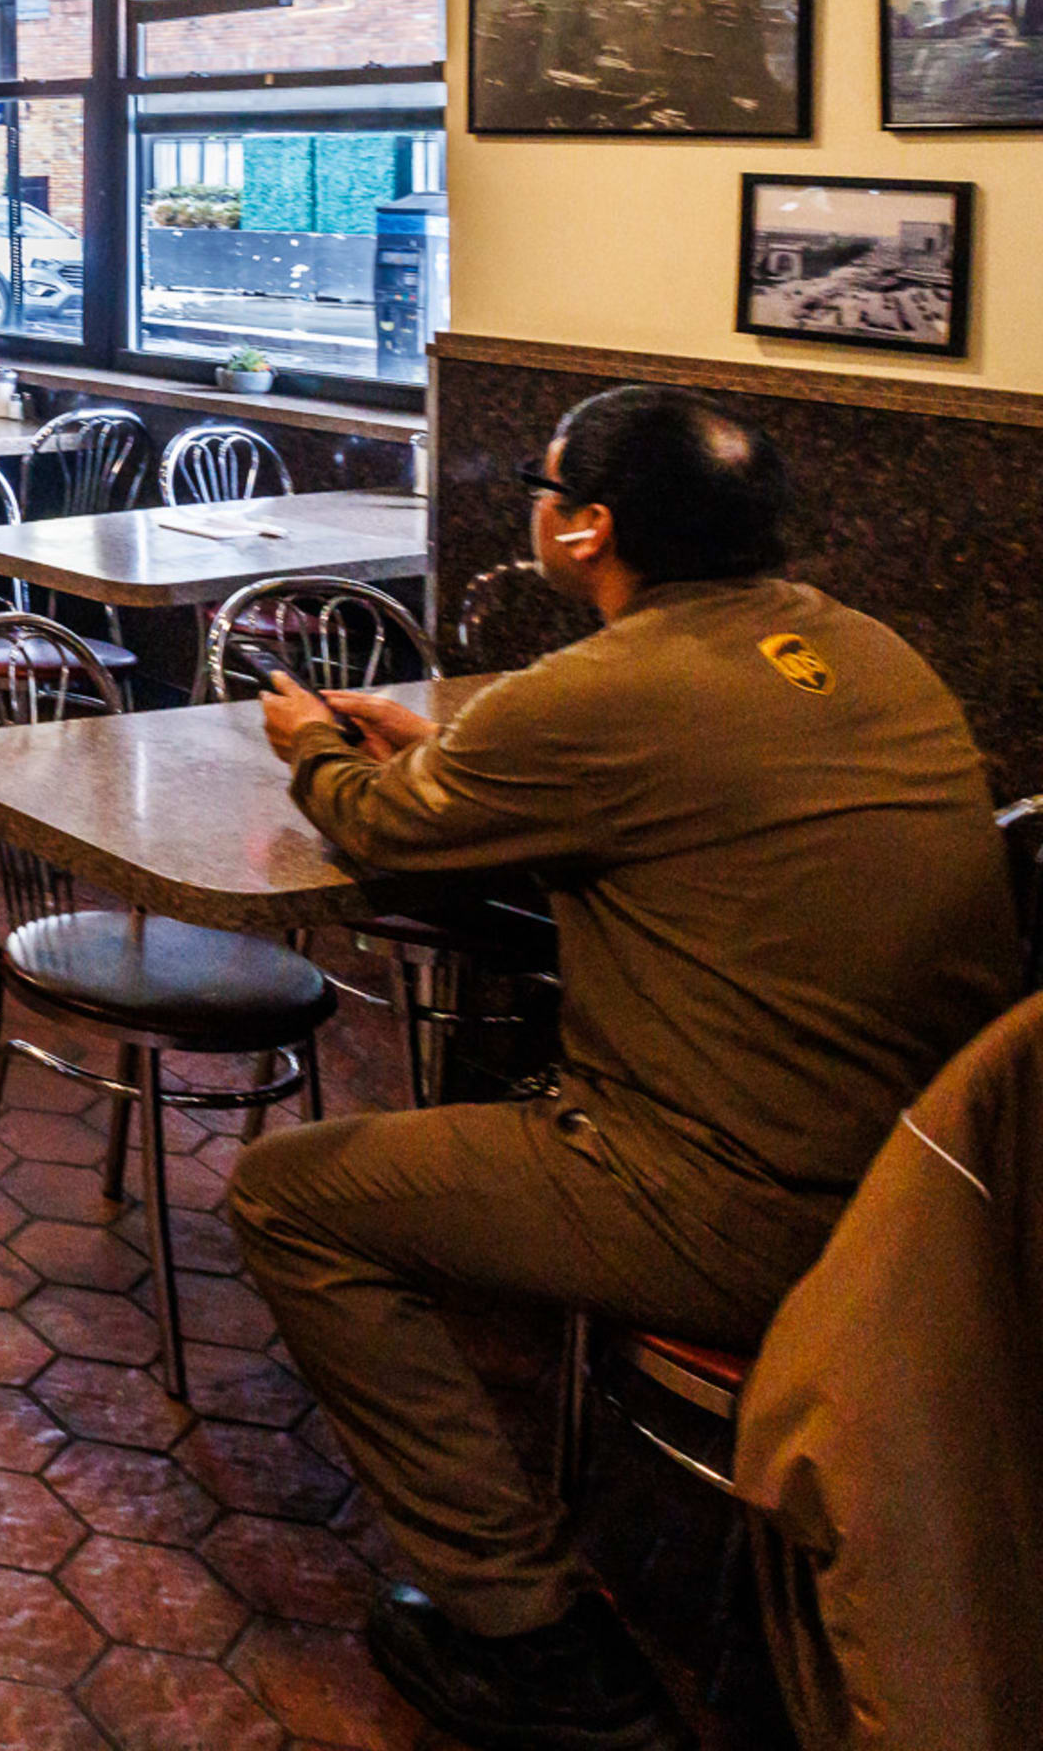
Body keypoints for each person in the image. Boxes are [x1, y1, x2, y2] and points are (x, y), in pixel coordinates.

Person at [229, 386, 1016, 1751]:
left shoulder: (606, 688)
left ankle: (531, 1635)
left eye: (544, 487)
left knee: (290, 1197)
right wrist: (469, 756)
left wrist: (311, 750)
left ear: (587, 529)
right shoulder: (866, 648)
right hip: (947, 1184)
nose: (533, 505)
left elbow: (386, 833)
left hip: (742, 1205)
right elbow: (665, 785)